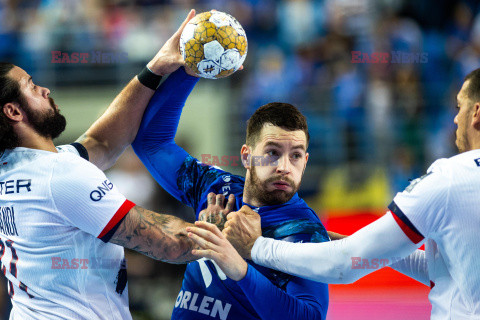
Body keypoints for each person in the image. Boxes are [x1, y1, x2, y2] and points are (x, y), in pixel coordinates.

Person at [187, 68, 480, 319]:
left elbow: (346, 265)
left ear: (476, 112)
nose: (455, 120)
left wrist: (255, 247)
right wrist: (364, 245)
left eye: (459, 108)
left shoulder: (449, 179)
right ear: (246, 156)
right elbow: (446, 267)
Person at [0, 10, 226, 320]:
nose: (45, 89)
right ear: (13, 111)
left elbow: (102, 143)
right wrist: (236, 229)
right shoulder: (59, 176)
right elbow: (170, 245)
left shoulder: (18, 167)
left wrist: (156, 66)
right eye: (31, 86)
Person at [131, 82, 332, 317]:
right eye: (272, 153)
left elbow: (310, 316)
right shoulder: (216, 189)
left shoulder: (304, 231)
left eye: (295, 155)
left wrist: (238, 266)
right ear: (247, 157)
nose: (284, 167)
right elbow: (152, 142)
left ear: (305, 161)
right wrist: (187, 70)